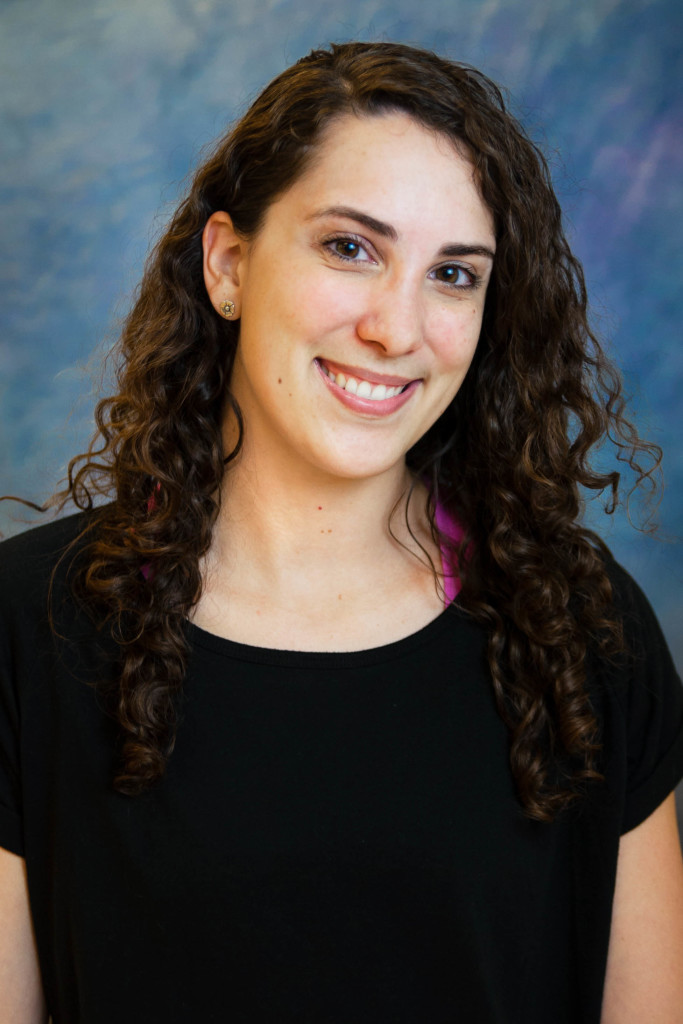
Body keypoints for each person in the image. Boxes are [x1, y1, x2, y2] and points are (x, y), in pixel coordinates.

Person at [1, 40, 682, 1024]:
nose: (394, 329)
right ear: (227, 263)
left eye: (452, 273)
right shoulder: (27, 631)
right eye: (349, 248)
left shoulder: (580, 630)